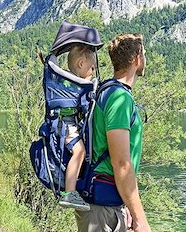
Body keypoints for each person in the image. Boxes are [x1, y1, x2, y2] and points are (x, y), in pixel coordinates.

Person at [75, 33, 151, 232]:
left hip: (105, 203)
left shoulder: (106, 91)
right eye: (144, 54)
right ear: (137, 59)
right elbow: (121, 164)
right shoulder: (119, 98)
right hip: (102, 209)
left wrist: (124, 204)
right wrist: (140, 218)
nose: (145, 59)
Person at [58, 44, 97, 211]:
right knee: (79, 151)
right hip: (67, 125)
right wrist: (89, 85)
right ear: (81, 64)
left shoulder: (67, 80)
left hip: (69, 124)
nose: (93, 72)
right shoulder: (71, 83)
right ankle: (69, 193)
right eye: (92, 68)